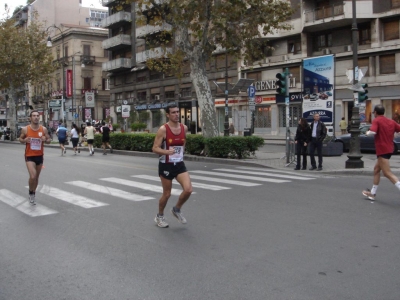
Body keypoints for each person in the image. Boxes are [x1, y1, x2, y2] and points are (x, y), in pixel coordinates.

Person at [152, 104, 193, 228]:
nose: (176, 114)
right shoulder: (163, 129)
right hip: (166, 165)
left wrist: (181, 153)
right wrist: (166, 152)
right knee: (167, 194)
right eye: (173, 112)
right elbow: (154, 148)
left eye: (177, 112)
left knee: (188, 189)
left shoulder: (184, 127)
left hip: (179, 164)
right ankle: (159, 216)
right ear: (168, 115)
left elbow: (183, 141)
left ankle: (176, 209)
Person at [362, 105, 400, 201]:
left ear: (375, 112)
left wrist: (367, 133)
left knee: (387, 173)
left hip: (382, 149)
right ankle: (372, 193)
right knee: (376, 170)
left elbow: (373, 132)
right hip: (389, 148)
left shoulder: (377, 120)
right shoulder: (391, 121)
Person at [19, 110, 52, 205]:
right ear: (30, 118)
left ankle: (33, 193)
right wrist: (24, 140)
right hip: (29, 155)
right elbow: (20, 139)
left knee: (36, 178)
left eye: (37, 116)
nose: (36, 117)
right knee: (32, 176)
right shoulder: (25, 129)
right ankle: (30, 191)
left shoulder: (43, 129)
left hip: (39, 156)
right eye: (34, 116)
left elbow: (49, 139)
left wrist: (46, 139)